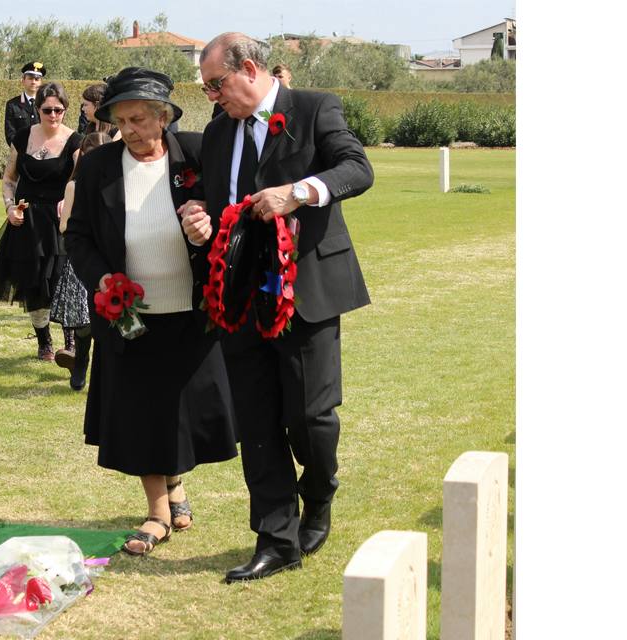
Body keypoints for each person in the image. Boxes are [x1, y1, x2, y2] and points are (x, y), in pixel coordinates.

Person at [188, 32, 374, 582]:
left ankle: (318, 496)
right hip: (241, 296)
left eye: (216, 85)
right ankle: (277, 537)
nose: (212, 97)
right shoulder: (219, 131)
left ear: (249, 69)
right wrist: (199, 216)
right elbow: (216, 200)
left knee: (309, 416)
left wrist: (297, 192)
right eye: (204, 89)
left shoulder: (313, 109)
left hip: (307, 291)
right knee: (258, 419)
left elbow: (357, 169)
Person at [65, 67, 238, 556]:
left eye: (139, 119)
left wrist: (210, 232)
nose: (130, 131)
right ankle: (158, 510)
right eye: (121, 121)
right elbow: (76, 235)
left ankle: (177, 483)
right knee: (141, 409)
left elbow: (232, 211)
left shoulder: (199, 154)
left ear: (164, 116)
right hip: (128, 314)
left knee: (180, 408)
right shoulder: (99, 165)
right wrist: (101, 278)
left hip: (192, 308)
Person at [0, 81, 83, 360]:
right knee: (33, 283)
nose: (53, 115)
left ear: (65, 110)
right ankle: (44, 343)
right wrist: (8, 207)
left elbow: (83, 178)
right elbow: (9, 179)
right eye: (47, 109)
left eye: (59, 110)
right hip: (25, 221)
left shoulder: (76, 141)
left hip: (60, 223)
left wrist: (71, 196)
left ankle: (71, 344)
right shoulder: (22, 137)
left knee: (63, 282)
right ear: (37, 109)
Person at [51, 132, 112, 390]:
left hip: (111, 259)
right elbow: (65, 226)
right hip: (83, 261)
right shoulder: (74, 186)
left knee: (111, 318)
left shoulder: (118, 183)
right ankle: (81, 362)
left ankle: (106, 370)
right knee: (84, 321)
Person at [4, 62, 45, 148]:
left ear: (40, 83)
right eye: (30, 78)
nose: (33, 82)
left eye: (36, 79)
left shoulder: (46, 104)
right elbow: (10, 135)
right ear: (23, 81)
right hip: (21, 155)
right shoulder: (12, 105)